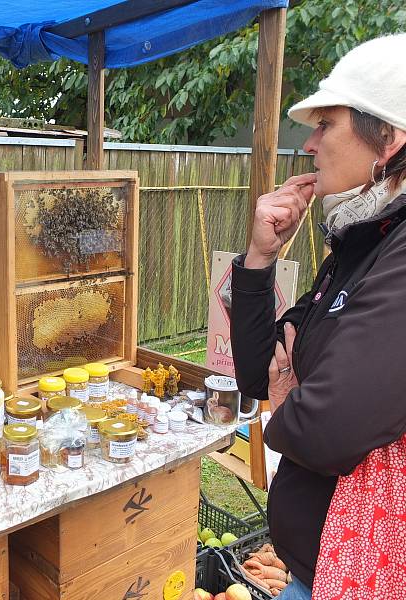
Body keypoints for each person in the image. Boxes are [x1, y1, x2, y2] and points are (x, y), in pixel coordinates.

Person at [231, 33, 406, 599]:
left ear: (389, 139)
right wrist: (260, 258)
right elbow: (261, 372)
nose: (308, 143)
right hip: (318, 571)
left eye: (326, 124)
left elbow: (325, 426)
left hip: (363, 579)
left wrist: (287, 406)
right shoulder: (361, 245)